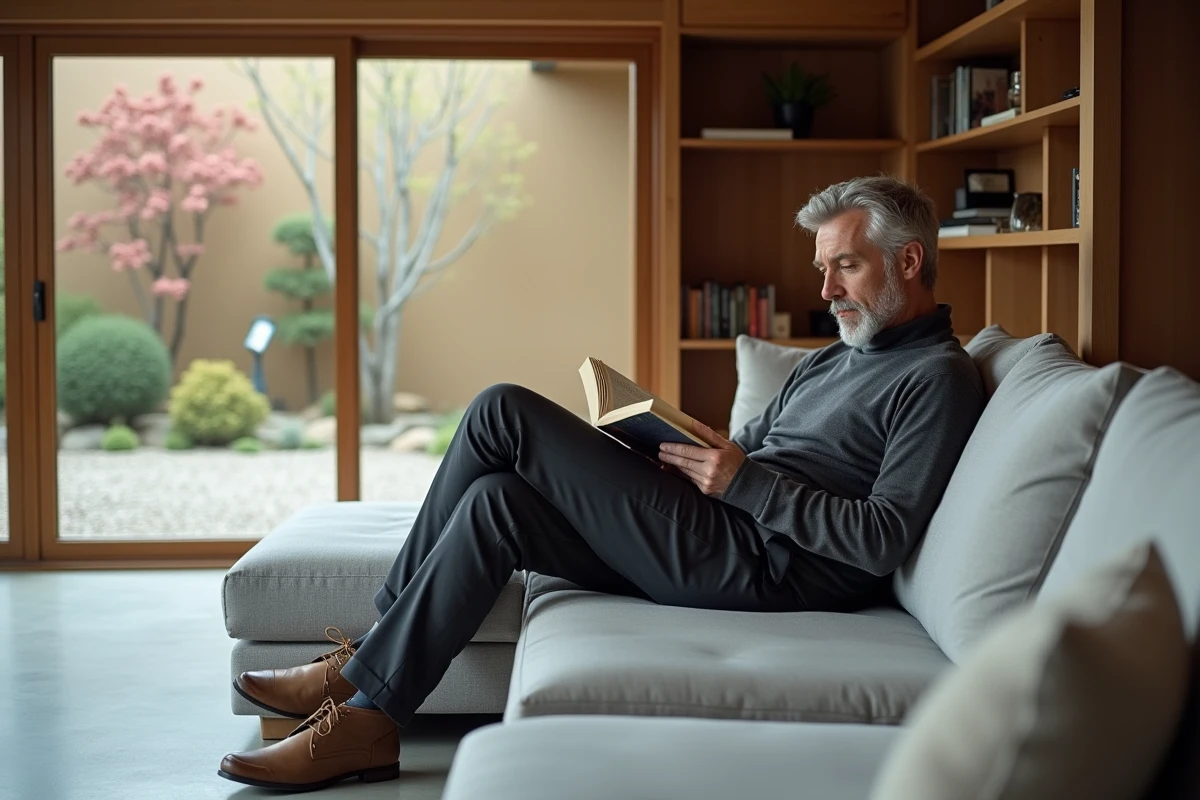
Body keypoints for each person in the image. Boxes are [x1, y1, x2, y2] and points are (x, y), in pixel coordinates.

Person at [217, 175, 985, 791]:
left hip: (765, 564)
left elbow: (882, 538)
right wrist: (681, 450)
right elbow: (751, 451)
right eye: (823, 269)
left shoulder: (936, 377)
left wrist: (741, 482)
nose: (827, 291)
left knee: (500, 411)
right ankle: (370, 716)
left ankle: (363, 674)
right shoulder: (834, 356)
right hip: (717, 523)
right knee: (497, 504)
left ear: (908, 261)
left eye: (844, 266)